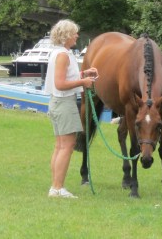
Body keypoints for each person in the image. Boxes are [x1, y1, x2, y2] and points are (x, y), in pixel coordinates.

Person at [44, 19, 98, 198]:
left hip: (58, 103)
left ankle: (55, 186)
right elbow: (60, 83)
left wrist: (84, 74)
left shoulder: (59, 53)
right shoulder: (63, 55)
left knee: (60, 146)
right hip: (64, 103)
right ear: (66, 36)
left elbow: (66, 77)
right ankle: (58, 188)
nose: (77, 35)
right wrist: (83, 82)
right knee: (67, 146)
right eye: (74, 33)